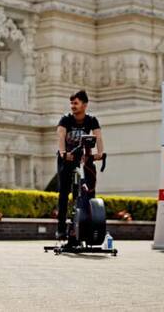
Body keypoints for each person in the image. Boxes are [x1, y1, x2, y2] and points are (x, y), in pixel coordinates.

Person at [55, 89, 104, 240]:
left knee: (89, 191)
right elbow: (61, 136)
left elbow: (98, 137)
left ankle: (89, 225)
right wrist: (64, 153)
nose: (73, 106)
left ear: (84, 105)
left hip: (84, 158)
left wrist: (99, 153)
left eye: (75, 103)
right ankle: (61, 229)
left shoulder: (91, 120)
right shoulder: (66, 119)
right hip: (67, 158)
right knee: (64, 194)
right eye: (71, 103)